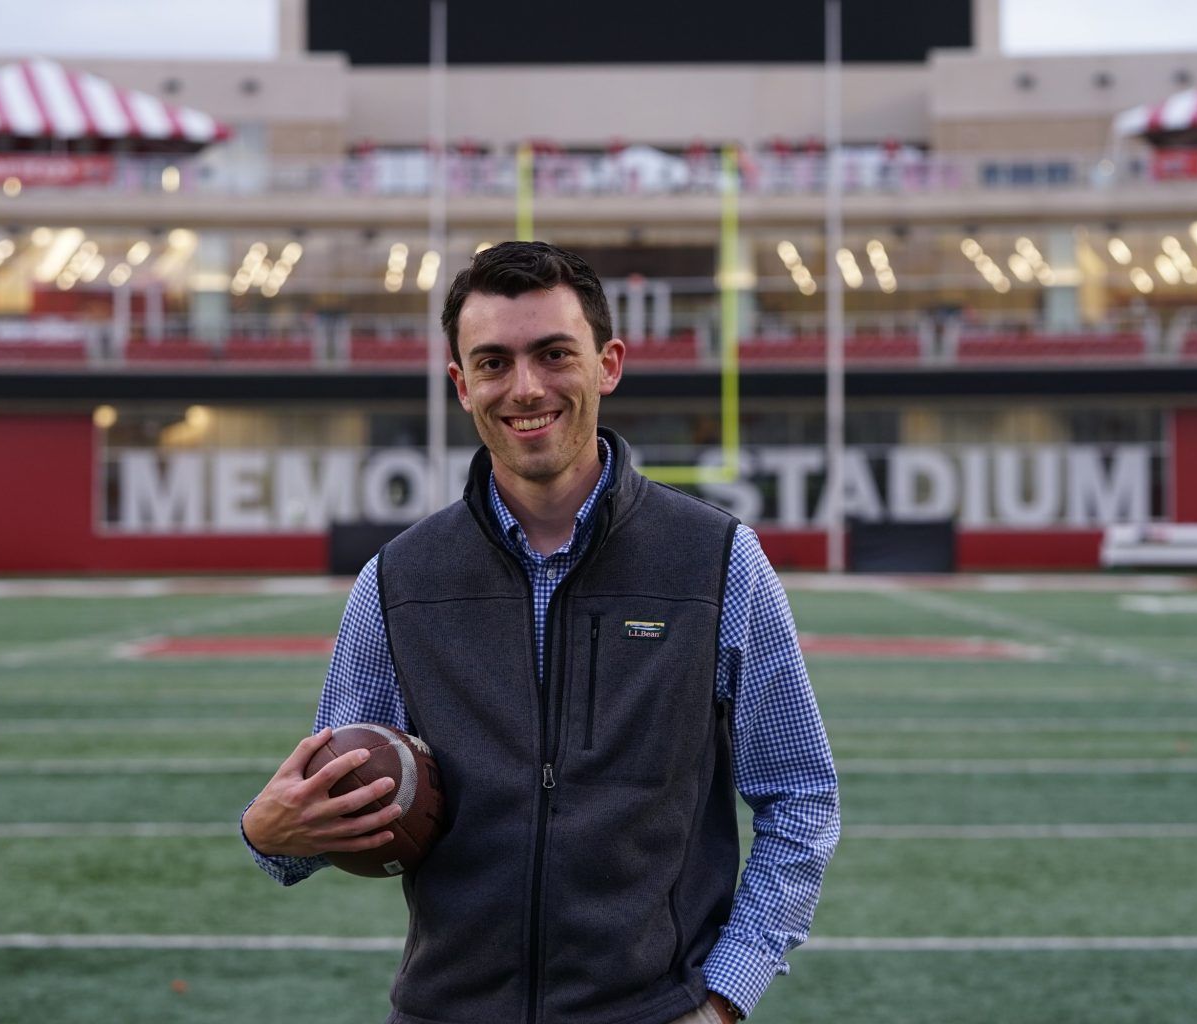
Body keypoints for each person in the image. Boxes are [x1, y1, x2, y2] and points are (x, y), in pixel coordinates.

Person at [242, 241, 839, 1024]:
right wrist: (268, 834)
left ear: (608, 364)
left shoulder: (717, 560)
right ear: (462, 385)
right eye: (493, 363)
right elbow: (332, 804)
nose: (525, 387)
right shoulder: (399, 581)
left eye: (554, 354)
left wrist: (723, 998)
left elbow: (800, 795)